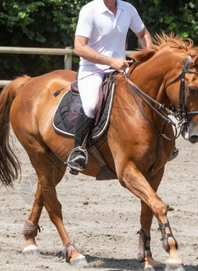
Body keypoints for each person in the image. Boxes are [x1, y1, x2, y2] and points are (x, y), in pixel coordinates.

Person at [67, 0, 152, 172]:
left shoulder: (127, 9)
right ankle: (79, 150)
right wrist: (110, 61)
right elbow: (80, 48)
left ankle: (161, 142)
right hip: (93, 69)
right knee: (91, 105)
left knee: (148, 94)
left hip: (120, 69)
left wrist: (150, 56)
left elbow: (143, 34)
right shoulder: (89, 10)